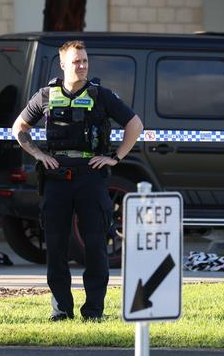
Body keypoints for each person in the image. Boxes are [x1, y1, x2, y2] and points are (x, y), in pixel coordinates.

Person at [12, 40, 143, 321]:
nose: (82, 66)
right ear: (62, 65)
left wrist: (115, 157)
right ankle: (61, 311)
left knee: (96, 247)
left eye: (84, 61)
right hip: (56, 178)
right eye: (76, 61)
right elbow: (19, 127)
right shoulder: (46, 94)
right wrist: (38, 154)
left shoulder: (101, 95)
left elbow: (135, 125)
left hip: (91, 178)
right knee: (56, 247)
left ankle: (94, 311)